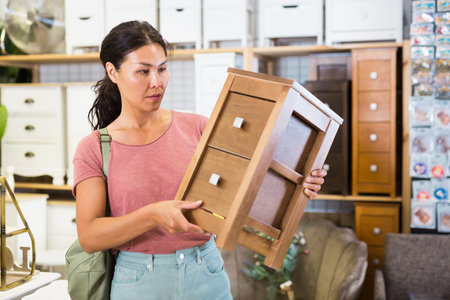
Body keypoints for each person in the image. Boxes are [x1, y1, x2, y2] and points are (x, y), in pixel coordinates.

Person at [73, 20, 327, 300]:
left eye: (162, 69)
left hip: (206, 272)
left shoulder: (199, 128)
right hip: (139, 282)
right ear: (113, 72)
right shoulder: (94, 148)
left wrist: (295, 186)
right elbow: (90, 236)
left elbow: (245, 191)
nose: (156, 82)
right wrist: (153, 215)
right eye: (143, 71)